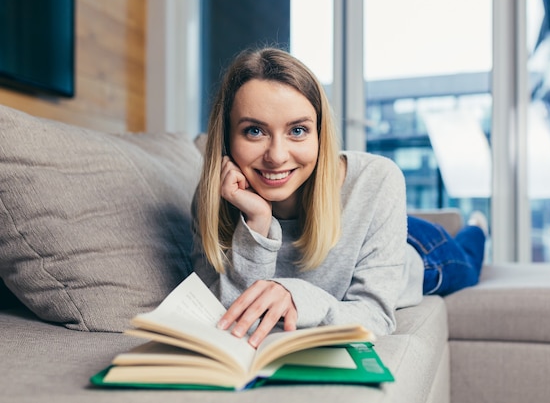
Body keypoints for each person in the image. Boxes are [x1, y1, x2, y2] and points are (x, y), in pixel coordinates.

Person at [191, 47, 487, 348]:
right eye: (254, 131)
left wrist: (296, 295)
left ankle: (478, 225)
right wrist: (256, 225)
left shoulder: (377, 178)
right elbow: (225, 317)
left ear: (320, 134)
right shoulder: (216, 198)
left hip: (419, 253)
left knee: (468, 259)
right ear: (227, 138)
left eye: (297, 130)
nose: (277, 156)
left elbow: (376, 316)